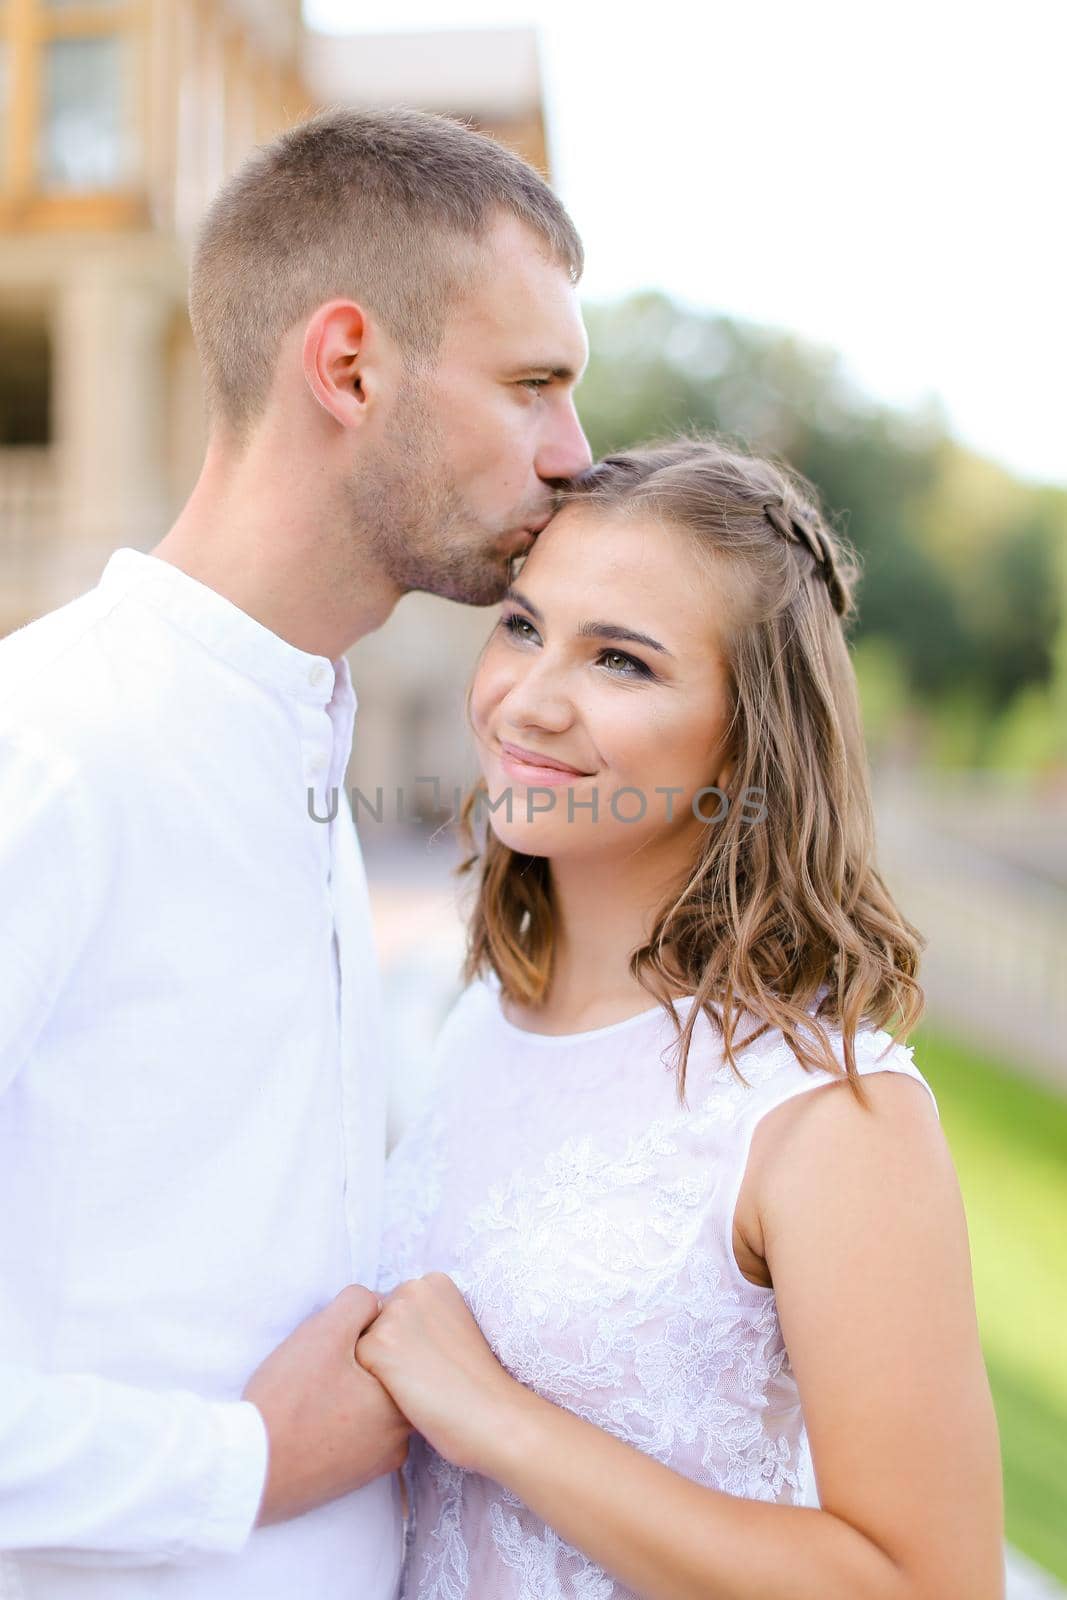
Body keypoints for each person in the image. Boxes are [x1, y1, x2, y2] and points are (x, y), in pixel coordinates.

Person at [0, 108, 590, 1598]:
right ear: (346, 367)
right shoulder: (48, 756)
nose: (572, 455)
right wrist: (243, 1469)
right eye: (532, 386)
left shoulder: (295, 737)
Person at [362, 439, 1006, 1600]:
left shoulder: (825, 1114)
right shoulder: (475, 1022)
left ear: (744, 737)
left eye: (620, 660)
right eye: (521, 625)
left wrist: (496, 1419)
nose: (531, 698)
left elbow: (927, 1582)